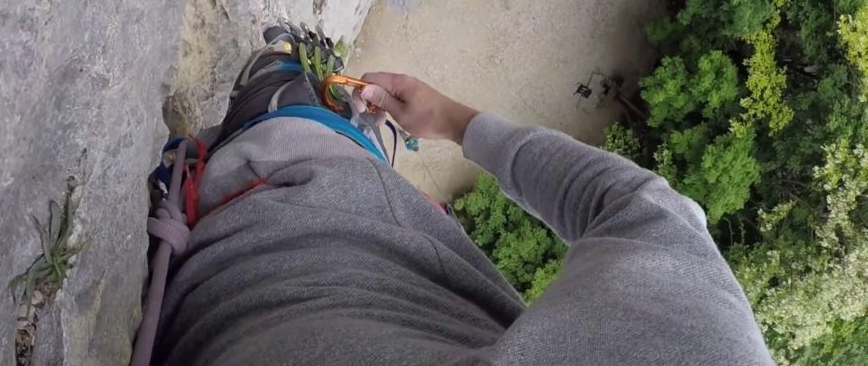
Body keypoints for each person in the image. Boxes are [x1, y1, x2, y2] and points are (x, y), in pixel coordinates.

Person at [148, 27, 773, 365]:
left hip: (268, 250)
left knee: (287, 88)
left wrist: (453, 120)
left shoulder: (714, 349)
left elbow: (639, 202)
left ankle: (287, 93)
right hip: (204, 330)